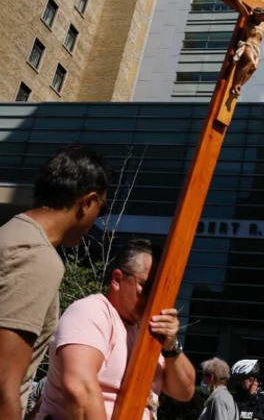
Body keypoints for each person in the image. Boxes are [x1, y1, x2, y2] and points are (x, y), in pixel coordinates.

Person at [0, 146, 111, 420]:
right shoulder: (36, 256)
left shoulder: (10, 233)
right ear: (87, 202)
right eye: (101, 207)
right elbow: (4, 383)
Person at [36, 238, 196, 420]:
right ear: (118, 279)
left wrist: (171, 345)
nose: (153, 297)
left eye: (161, 290)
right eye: (148, 287)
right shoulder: (92, 312)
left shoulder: (147, 332)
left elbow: (185, 391)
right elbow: (79, 389)